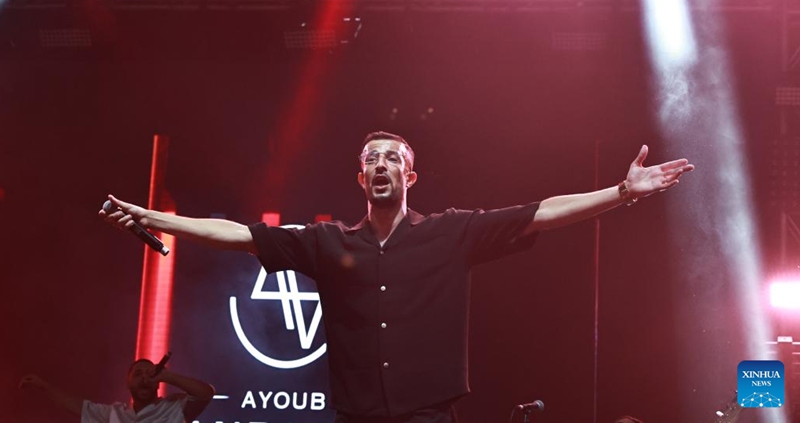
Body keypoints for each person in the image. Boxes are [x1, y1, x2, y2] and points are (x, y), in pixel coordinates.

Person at [99, 131, 694, 423]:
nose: (380, 164)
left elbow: (541, 212)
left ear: (410, 177)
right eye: (371, 159)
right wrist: (152, 216)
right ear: (361, 180)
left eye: (392, 158)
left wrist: (622, 192)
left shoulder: (452, 232)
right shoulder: (327, 242)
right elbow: (236, 234)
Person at [19, 359, 215, 422]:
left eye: (150, 374)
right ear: (127, 382)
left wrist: (167, 376)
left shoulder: (173, 408)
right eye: (137, 374)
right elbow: (78, 407)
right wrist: (43, 386)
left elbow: (205, 393)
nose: (144, 379)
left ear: (157, 382)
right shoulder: (114, 413)